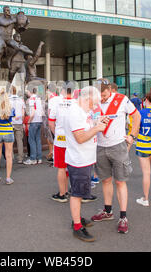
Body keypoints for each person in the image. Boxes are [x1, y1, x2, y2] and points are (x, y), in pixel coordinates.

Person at [91, 79, 141, 234]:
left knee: (120, 182)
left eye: (104, 94)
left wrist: (132, 135)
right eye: (99, 94)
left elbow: (137, 116)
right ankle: (108, 211)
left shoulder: (121, 99)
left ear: (110, 90)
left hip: (118, 146)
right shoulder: (94, 102)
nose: (102, 97)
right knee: (105, 180)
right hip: (100, 147)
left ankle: (123, 217)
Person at [64, 86, 109, 242]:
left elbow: (86, 128)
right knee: (77, 194)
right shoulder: (75, 113)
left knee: (80, 193)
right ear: (86, 98)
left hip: (84, 158)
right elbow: (80, 138)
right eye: (94, 103)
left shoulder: (82, 111)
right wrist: (97, 128)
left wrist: (97, 122)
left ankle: (77, 219)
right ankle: (77, 226)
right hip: (79, 159)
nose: (95, 106)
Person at [49, 84, 74, 202]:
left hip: (61, 139)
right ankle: (76, 191)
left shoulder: (56, 104)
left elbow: (51, 123)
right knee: (74, 166)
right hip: (74, 139)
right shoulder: (77, 104)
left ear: (63, 91)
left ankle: (62, 193)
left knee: (61, 167)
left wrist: (56, 134)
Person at [0, 91, 15, 184]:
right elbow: (13, 116)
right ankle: (8, 178)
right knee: (8, 156)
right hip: (8, 132)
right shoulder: (11, 108)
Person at [24, 87, 44, 165]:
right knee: (38, 140)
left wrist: (28, 122)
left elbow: (32, 112)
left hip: (33, 121)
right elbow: (41, 111)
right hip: (39, 121)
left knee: (31, 140)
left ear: (30, 91)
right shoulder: (38, 98)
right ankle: (39, 158)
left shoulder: (32, 99)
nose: (27, 93)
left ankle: (33, 158)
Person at [9, 86, 25, 164]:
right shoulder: (21, 100)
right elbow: (23, 113)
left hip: (10, 122)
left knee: (10, 141)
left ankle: (11, 158)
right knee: (19, 141)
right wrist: (22, 121)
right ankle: (20, 158)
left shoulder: (8, 100)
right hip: (19, 122)